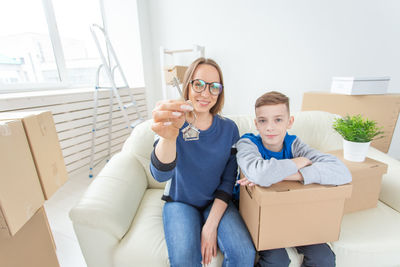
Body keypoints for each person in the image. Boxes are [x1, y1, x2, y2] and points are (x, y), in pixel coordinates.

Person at [150, 57, 256, 267]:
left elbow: (228, 181)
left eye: (214, 87)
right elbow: (160, 175)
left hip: (215, 202)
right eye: (198, 84)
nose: (206, 93)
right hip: (180, 201)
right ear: (187, 85)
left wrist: (210, 226)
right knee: (184, 261)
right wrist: (169, 136)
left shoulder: (229, 129)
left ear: (220, 92)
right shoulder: (173, 120)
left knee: (244, 254)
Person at [236, 91, 352, 267]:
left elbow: (342, 172)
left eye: (278, 120)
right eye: (263, 121)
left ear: (289, 122)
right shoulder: (248, 143)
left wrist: (294, 175)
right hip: (258, 215)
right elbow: (259, 174)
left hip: (293, 212)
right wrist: (296, 162)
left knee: (324, 258)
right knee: (277, 261)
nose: (270, 127)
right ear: (256, 124)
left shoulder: (294, 144)